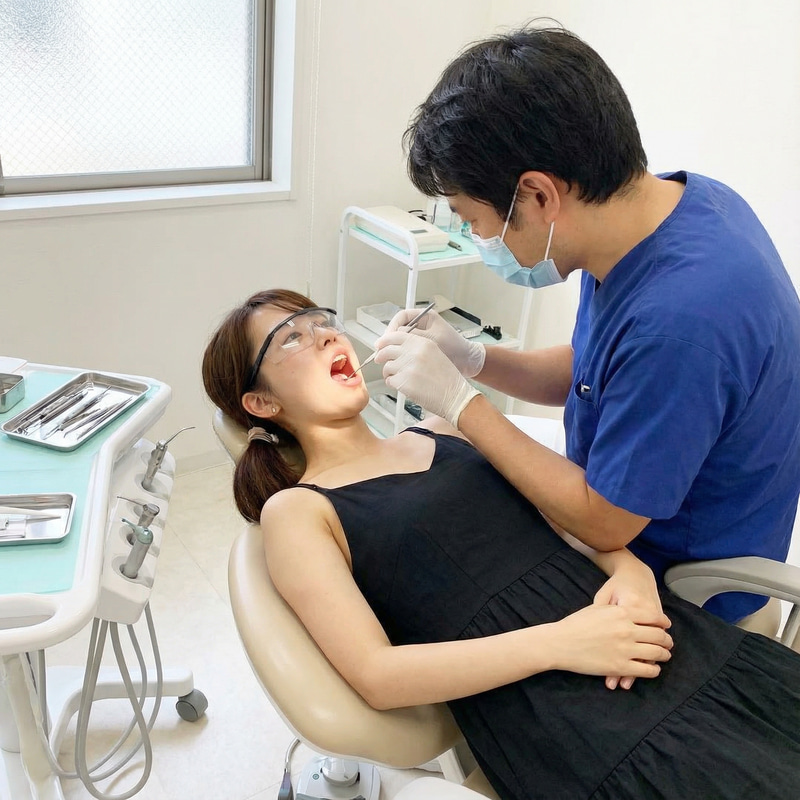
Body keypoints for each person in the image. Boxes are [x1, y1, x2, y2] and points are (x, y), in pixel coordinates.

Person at [202, 289, 800, 800]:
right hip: (563, 715)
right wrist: (564, 643)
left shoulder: (443, 428)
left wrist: (628, 569)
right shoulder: (298, 510)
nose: (327, 337)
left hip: (659, 638)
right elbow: (377, 674)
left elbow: (569, 516)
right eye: (291, 338)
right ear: (262, 403)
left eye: (324, 322)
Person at [374, 25, 800, 626]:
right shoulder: (675, 212)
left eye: (475, 219)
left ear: (539, 196)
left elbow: (606, 519)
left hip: (676, 585)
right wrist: (474, 361)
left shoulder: (680, 321)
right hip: (625, 488)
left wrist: (463, 401)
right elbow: (596, 368)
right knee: (446, 442)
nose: (478, 240)